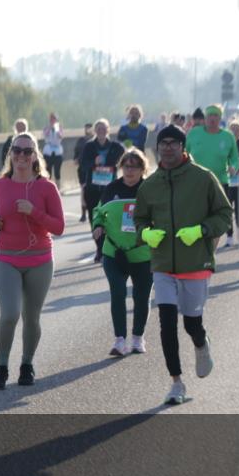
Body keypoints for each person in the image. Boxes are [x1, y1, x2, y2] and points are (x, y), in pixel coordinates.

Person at [134, 124, 232, 405]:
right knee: (166, 324)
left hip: (195, 263)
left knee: (191, 324)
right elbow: (139, 219)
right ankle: (176, 383)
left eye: (173, 143)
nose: (166, 147)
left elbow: (225, 214)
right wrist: (145, 234)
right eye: (162, 143)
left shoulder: (203, 178)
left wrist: (201, 230)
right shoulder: (150, 184)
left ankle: (201, 344)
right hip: (163, 264)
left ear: (182, 146)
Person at [0, 132, 65, 389]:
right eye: (17, 151)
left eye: (27, 152)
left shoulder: (46, 187)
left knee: (31, 317)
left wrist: (34, 212)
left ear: (35, 156)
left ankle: (27, 364)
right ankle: (1, 365)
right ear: (10, 154)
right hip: (7, 259)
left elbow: (59, 227)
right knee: (10, 314)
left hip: (40, 260)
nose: (22, 156)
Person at [91, 149, 152, 356]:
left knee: (141, 296)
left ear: (143, 169)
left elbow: (162, 214)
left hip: (142, 253)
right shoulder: (111, 189)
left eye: (134, 166)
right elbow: (98, 212)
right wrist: (98, 224)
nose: (129, 170)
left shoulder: (150, 189)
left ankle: (137, 338)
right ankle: (119, 340)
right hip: (114, 252)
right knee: (117, 293)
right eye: (126, 166)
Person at [184, 104, 239, 247]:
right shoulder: (194, 133)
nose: (213, 119)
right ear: (205, 118)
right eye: (210, 116)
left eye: (216, 115)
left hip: (220, 183)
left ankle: (210, 253)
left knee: (217, 219)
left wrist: (233, 167)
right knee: (197, 217)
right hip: (195, 182)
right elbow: (183, 153)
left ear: (220, 118)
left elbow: (235, 158)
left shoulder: (227, 136)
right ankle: (200, 249)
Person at [80, 119, 126, 262]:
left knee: (111, 219)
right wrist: (93, 162)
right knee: (95, 219)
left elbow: (124, 162)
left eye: (104, 128)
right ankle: (99, 248)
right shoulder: (88, 147)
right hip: (93, 188)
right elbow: (82, 164)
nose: (101, 130)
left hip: (110, 188)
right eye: (98, 128)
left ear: (108, 130)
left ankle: (110, 247)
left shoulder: (116, 147)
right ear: (95, 130)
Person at [74, 122, 94, 222]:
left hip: (94, 170)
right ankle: (83, 214)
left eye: (90, 128)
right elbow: (76, 153)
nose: (88, 130)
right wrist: (76, 159)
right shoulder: (81, 141)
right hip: (82, 169)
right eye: (86, 128)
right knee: (83, 190)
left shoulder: (96, 141)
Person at [41, 112, 64, 186]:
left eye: (54, 118)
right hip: (48, 151)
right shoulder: (46, 128)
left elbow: (61, 136)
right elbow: (45, 135)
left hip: (57, 151)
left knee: (57, 171)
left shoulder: (59, 128)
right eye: (51, 119)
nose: (52, 120)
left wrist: (57, 130)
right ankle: (48, 186)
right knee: (48, 170)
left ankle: (58, 187)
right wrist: (50, 128)